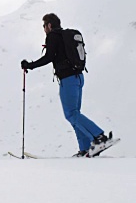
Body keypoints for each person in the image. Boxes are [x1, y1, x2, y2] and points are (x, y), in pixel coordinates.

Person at [21, 13, 109, 157]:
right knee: (75, 114)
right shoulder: (64, 36)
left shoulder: (53, 36)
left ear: (49, 25)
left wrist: (29, 65)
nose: (44, 29)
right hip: (78, 77)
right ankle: (86, 149)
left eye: (44, 26)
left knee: (71, 114)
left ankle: (99, 137)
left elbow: (48, 57)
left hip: (68, 79)